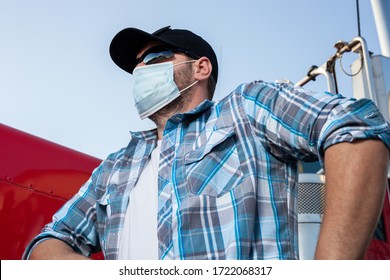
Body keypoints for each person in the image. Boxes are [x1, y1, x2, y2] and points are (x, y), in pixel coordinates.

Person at [23, 26, 390, 260]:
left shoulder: (246, 109)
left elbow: (355, 125)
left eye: (153, 59)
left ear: (201, 68)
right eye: (137, 68)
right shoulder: (116, 167)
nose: (141, 73)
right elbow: (51, 239)